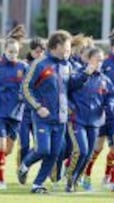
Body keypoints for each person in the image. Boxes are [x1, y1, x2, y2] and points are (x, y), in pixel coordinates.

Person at [18, 30, 94, 194]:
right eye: (66, 48)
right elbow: (25, 88)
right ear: (56, 46)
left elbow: (71, 85)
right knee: (43, 149)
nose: (69, 51)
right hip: (42, 117)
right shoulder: (40, 64)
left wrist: (85, 74)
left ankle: (37, 184)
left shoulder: (67, 65)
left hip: (61, 118)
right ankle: (24, 165)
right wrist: (38, 107)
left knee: (54, 153)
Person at [83, 29, 114, 192]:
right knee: (97, 147)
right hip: (102, 110)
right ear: (111, 48)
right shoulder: (104, 63)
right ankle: (86, 174)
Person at [65, 47, 114, 192]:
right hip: (77, 119)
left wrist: (111, 105)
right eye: (97, 59)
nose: (99, 63)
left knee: (89, 154)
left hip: (95, 122)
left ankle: (76, 180)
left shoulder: (104, 79)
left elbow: (113, 96)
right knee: (81, 150)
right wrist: (85, 74)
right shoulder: (77, 74)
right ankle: (69, 179)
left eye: (101, 60)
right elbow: (68, 89)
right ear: (89, 60)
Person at [0, 25, 28, 190]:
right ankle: (1, 180)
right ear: (4, 50)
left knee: (8, 150)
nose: (13, 55)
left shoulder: (23, 67)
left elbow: (30, 86)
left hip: (16, 114)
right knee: (1, 147)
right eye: (10, 52)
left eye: (16, 53)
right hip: (1, 113)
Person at [18, 36, 46, 175]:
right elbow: (21, 87)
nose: (39, 54)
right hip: (24, 111)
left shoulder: (47, 67)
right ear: (31, 51)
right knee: (24, 144)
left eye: (42, 51)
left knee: (40, 146)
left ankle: (25, 164)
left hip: (40, 112)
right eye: (36, 51)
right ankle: (23, 169)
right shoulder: (24, 66)